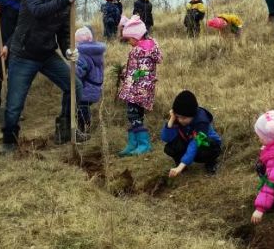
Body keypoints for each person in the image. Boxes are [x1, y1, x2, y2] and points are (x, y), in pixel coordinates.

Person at [0, 0, 85, 154]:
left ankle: (64, 129)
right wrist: (65, 0)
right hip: (23, 54)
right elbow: (38, 11)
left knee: (75, 86)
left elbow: (63, 33)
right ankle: (9, 141)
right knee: (15, 102)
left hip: (47, 54)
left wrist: (68, 50)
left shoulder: (66, 4)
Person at [116, 15, 163, 156]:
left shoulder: (144, 49)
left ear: (136, 36)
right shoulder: (143, 47)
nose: (129, 42)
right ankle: (133, 143)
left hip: (139, 89)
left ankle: (144, 144)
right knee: (135, 115)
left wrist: (130, 77)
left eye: (129, 39)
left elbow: (143, 71)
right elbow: (138, 69)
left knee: (133, 114)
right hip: (138, 88)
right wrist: (127, 74)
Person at [162, 90, 222, 176]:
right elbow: (166, 138)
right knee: (170, 147)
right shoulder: (178, 120)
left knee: (204, 145)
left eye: (184, 118)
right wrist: (171, 120)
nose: (180, 120)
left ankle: (211, 163)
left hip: (208, 145)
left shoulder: (201, 122)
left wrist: (181, 166)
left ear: (193, 115)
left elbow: (194, 144)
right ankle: (182, 166)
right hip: (190, 143)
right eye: (178, 117)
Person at [74, 26, 106, 134]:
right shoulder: (97, 52)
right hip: (95, 88)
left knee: (81, 108)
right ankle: (85, 128)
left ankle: (83, 130)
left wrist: (71, 67)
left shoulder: (82, 55)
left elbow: (79, 72)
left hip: (85, 88)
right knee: (84, 107)